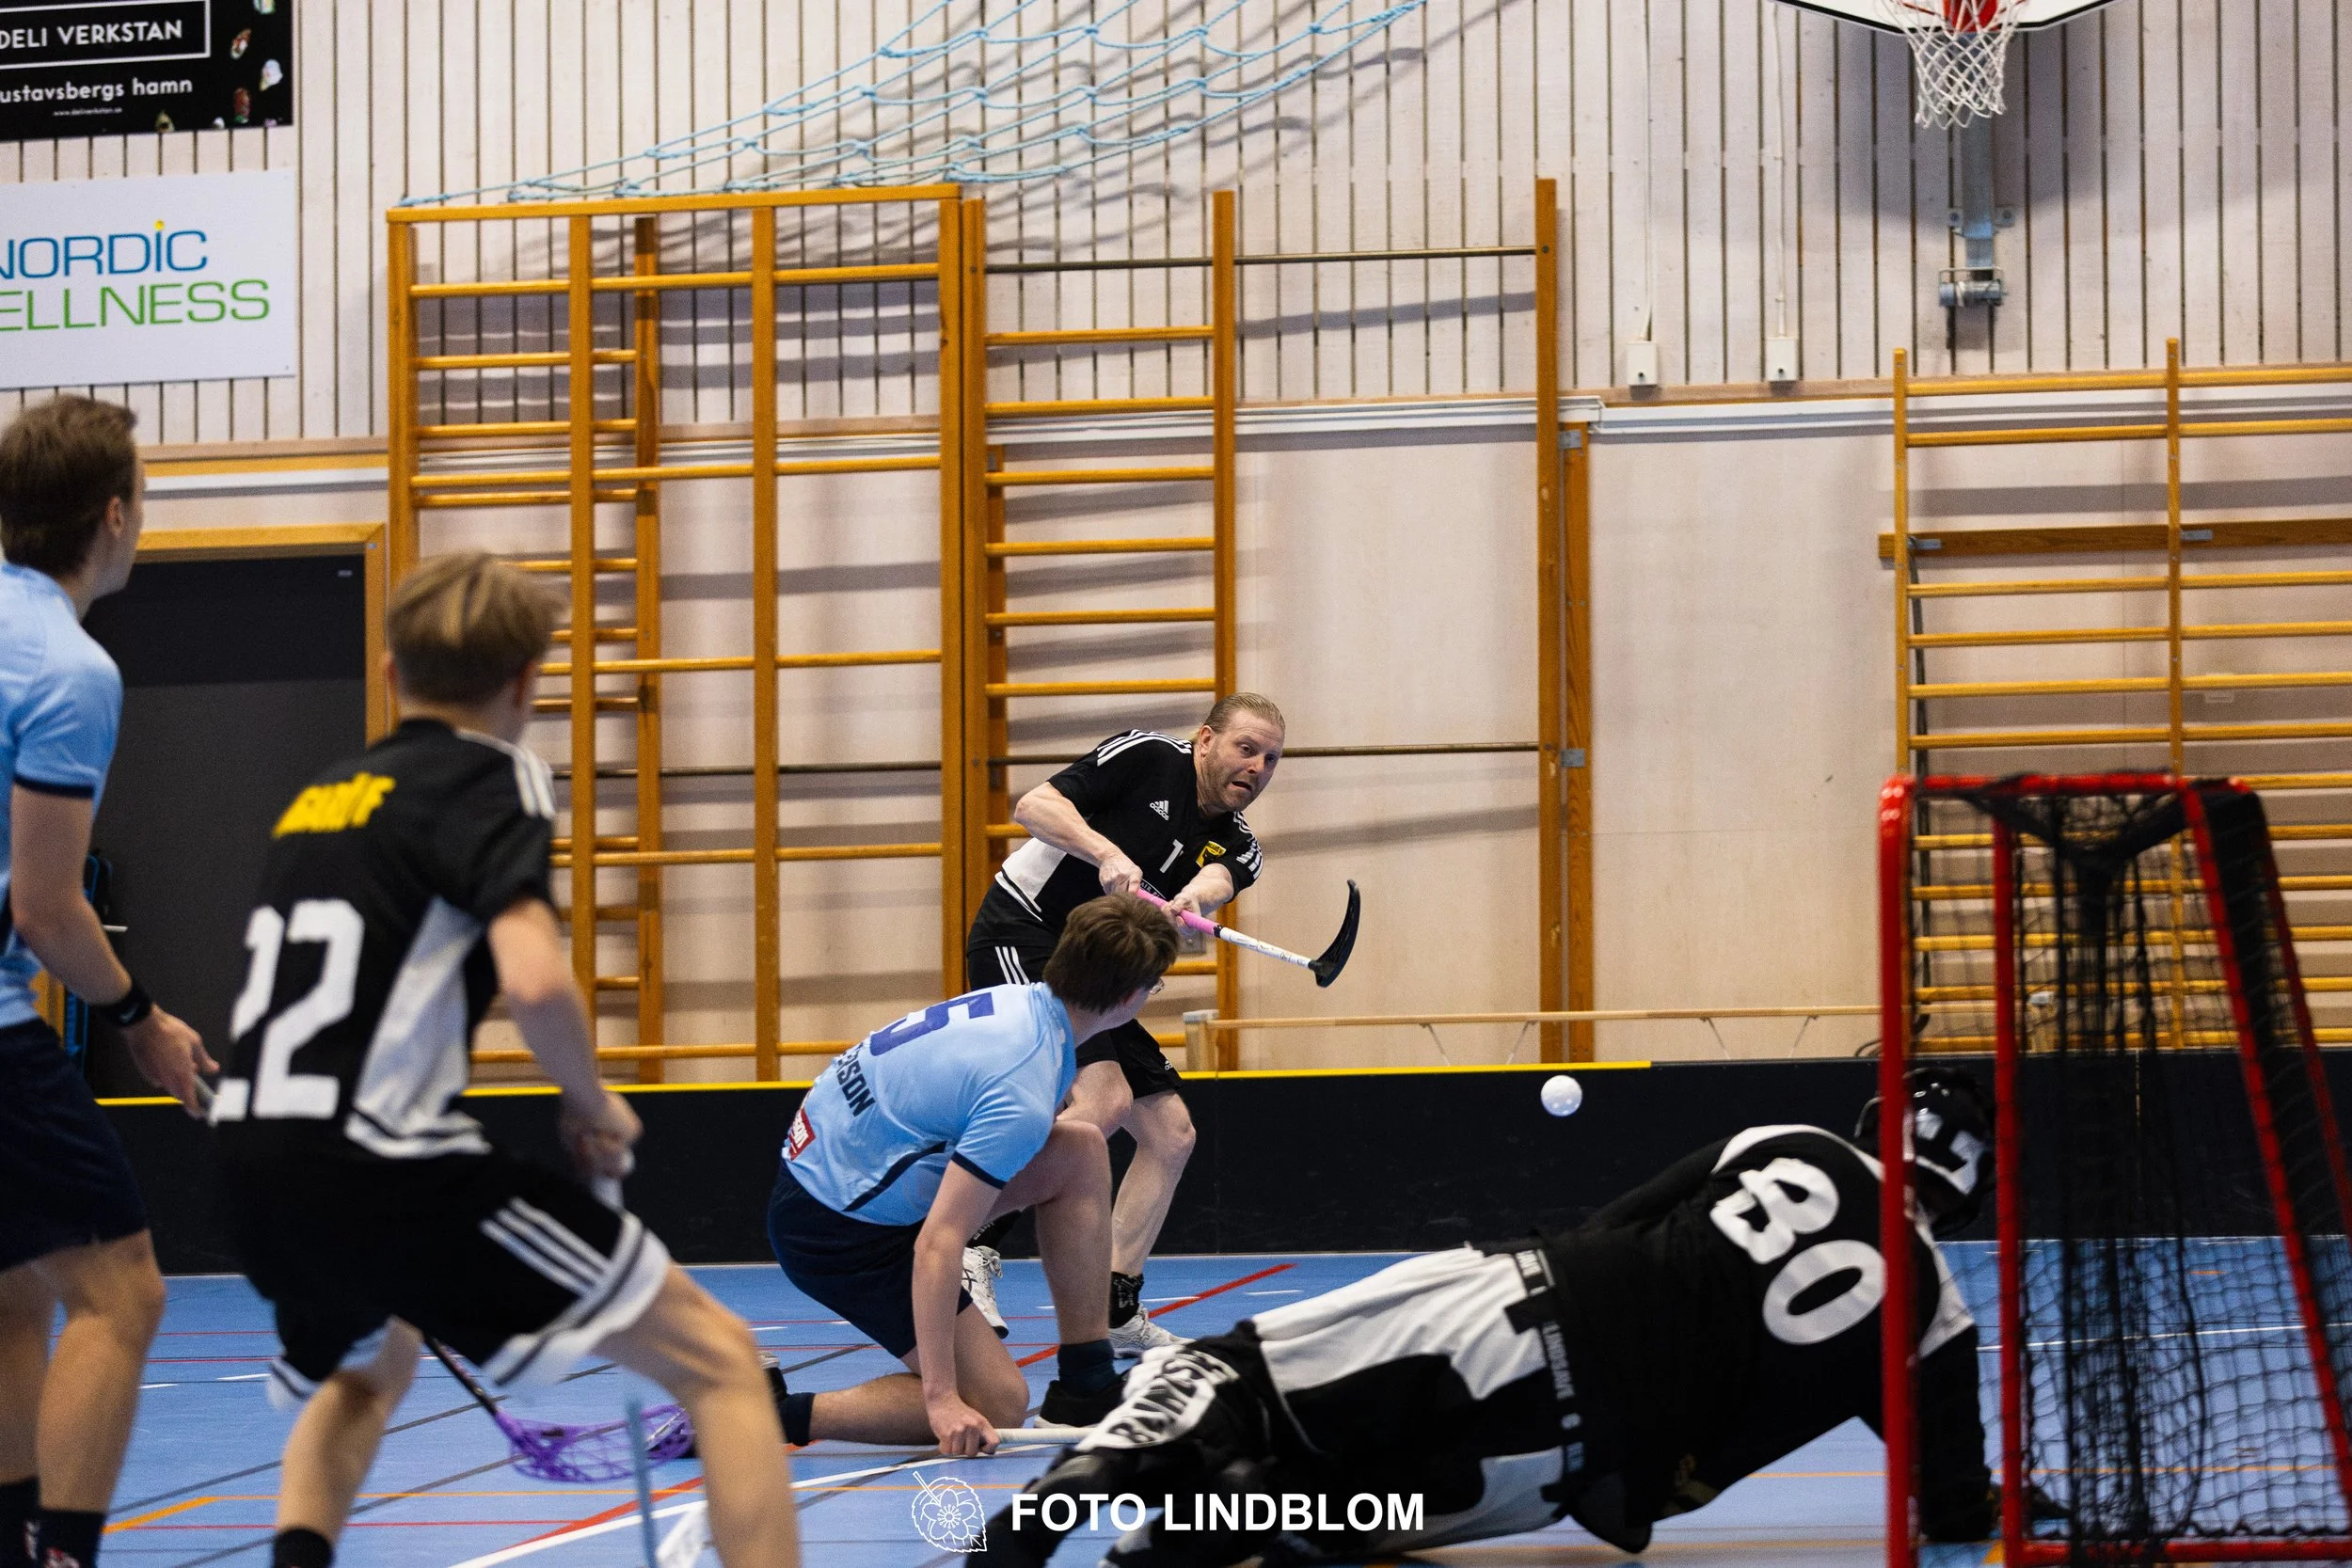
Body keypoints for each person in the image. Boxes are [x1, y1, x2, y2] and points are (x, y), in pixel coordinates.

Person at [208, 553, 798, 1568]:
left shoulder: (321, 795)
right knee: (725, 1364)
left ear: (389, 674)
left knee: (366, 1370)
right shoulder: (493, 775)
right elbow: (532, 978)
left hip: (248, 1166)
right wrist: (592, 1099)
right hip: (383, 1164)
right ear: (528, 681)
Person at [974, 1069, 2008, 1567]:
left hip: (1534, 1298)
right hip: (1584, 1449)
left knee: (1235, 1376)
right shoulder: (1933, 1308)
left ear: (1878, 1121)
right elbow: (1951, 1498)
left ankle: (1036, 1522)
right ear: (1965, 1190)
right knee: (1349, 1516)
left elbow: (1627, 1215)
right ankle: (1209, 1533)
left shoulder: (1794, 1140)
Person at [0, 397, 215, 1568]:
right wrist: (141, 1016)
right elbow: (46, 907)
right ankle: (65, 1554)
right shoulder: (68, 667)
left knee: (13, 1292)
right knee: (123, 1292)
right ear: (116, 514)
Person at [765, 896, 1180, 1457]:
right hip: (838, 1232)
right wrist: (941, 1398)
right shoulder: (1021, 1086)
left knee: (1079, 1147)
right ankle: (762, 1413)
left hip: (840, 1176)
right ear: (1132, 997)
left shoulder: (1022, 1002)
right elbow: (938, 1243)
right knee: (996, 1402)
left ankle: (1088, 1380)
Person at [963, 696, 1284, 1355]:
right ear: (1205, 741)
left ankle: (1115, 1306)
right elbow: (1033, 805)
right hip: (1025, 931)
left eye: (1272, 758)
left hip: (1096, 969)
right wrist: (1103, 850)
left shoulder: (1241, 844)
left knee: (1171, 1133)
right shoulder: (1146, 757)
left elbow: (1223, 876)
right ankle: (973, 1241)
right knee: (1101, 1099)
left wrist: (1195, 898)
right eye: (1246, 747)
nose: (1257, 766)